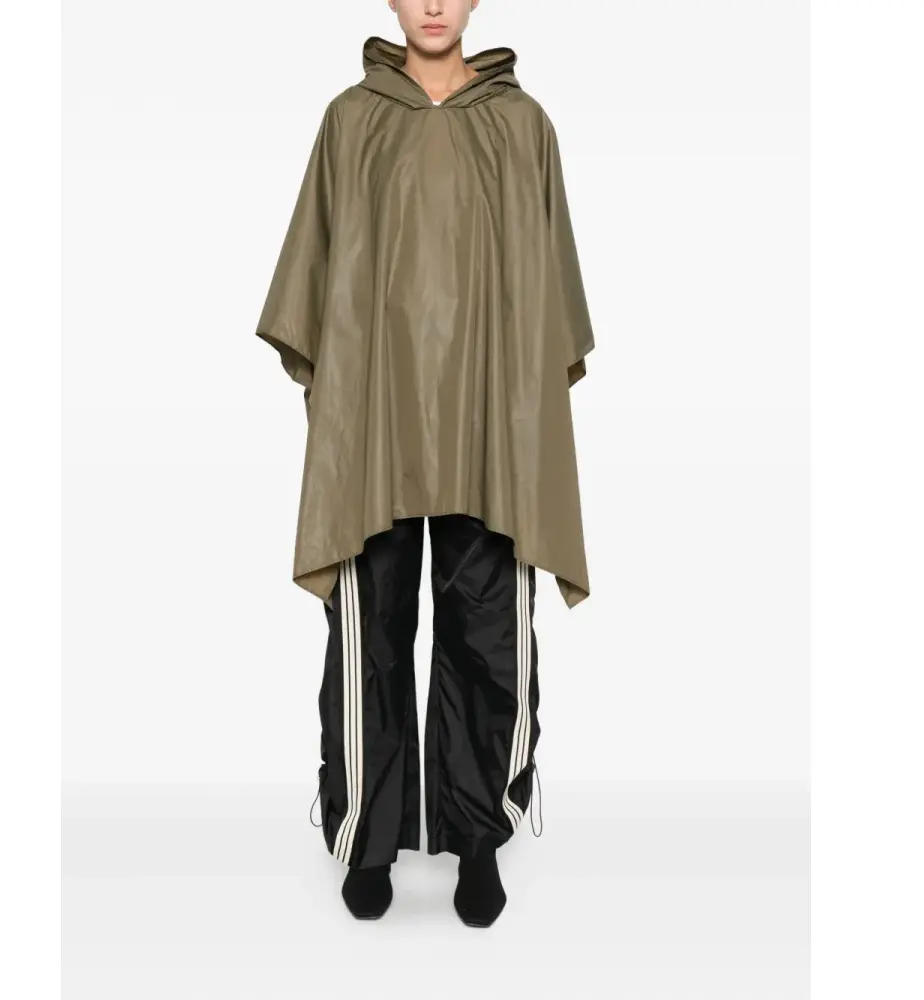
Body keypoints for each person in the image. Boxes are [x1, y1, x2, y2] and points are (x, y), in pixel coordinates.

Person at [254, 0, 595, 927]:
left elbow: (547, 302)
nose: (435, 4)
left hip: (491, 426)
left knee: (490, 635)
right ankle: (368, 837)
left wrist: (524, 415)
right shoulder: (351, 121)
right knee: (368, 636)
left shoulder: (522, 126)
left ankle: (479, 837)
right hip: (378, 427)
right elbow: (317, 285)